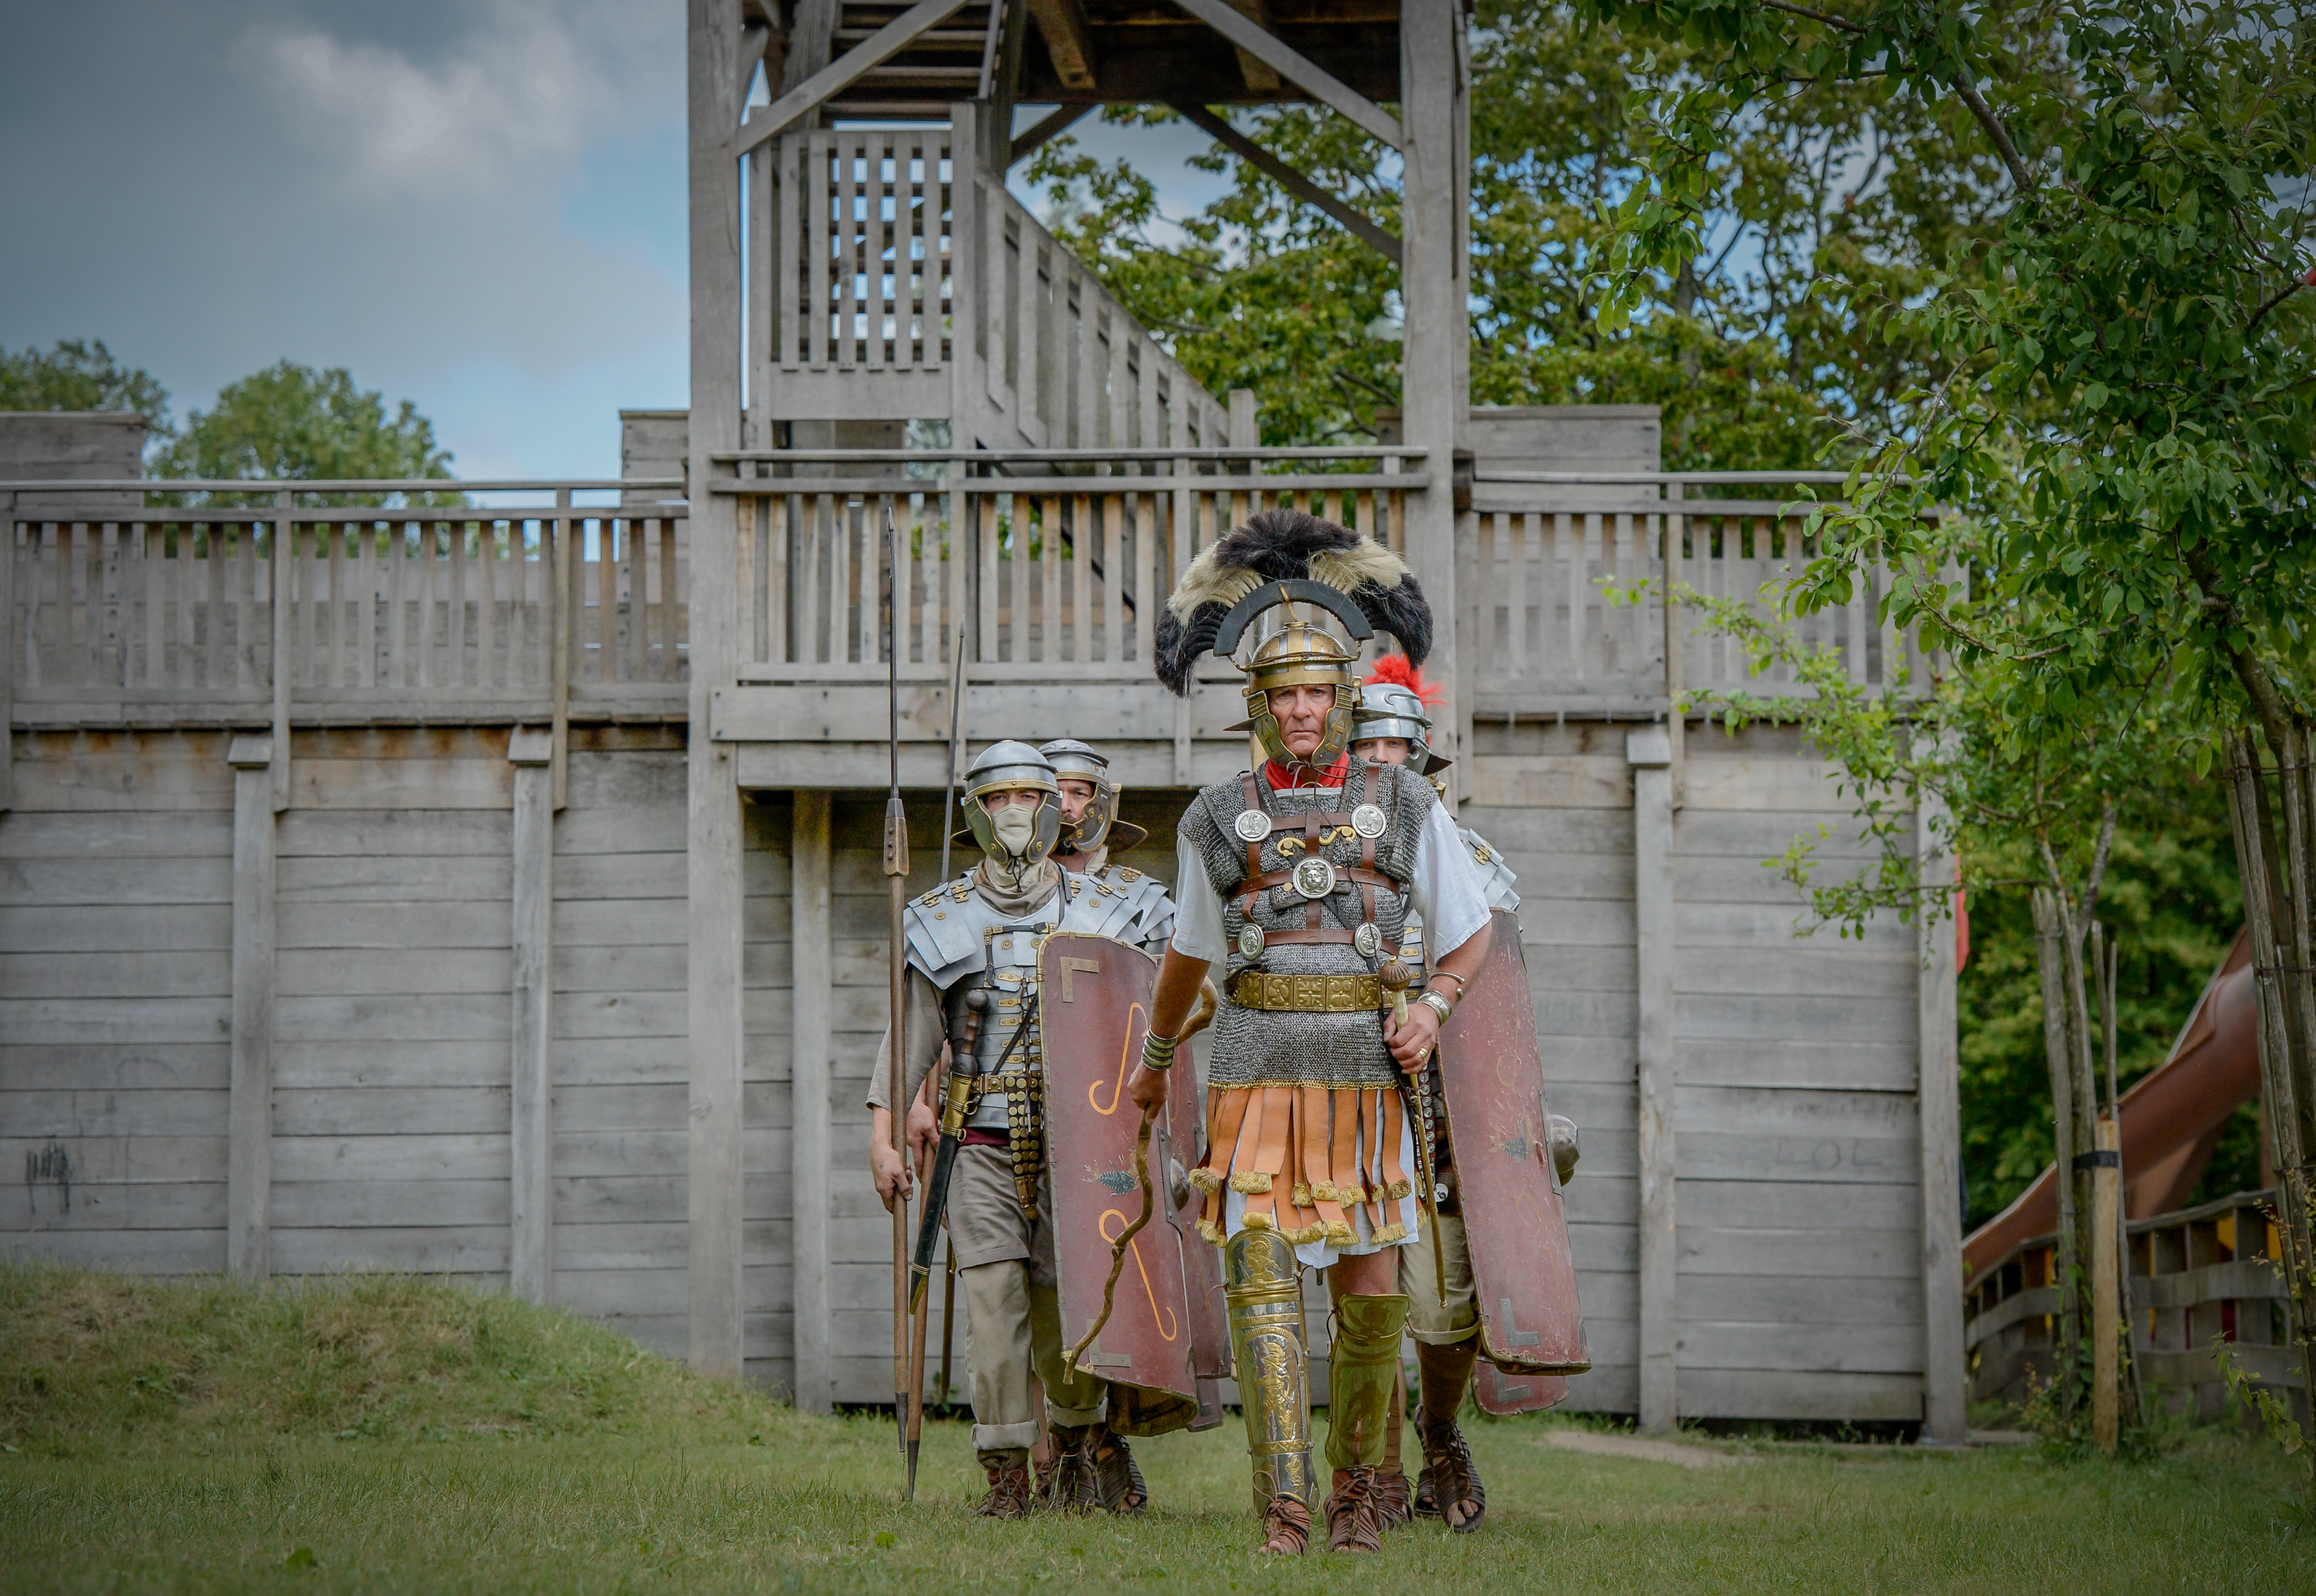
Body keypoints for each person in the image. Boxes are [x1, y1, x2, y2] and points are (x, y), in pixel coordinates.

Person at [1124, 508, 1495, 1554]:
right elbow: (1189, 958)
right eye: (1284, 693)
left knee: (1371, 1292)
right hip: (1251, 1072)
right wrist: (1155, 1065)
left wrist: (1430, 1007)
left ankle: (1354, 1499)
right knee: (1260, 1286)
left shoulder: (1406, 804)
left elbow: (1468, 942)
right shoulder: (1213, 816)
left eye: (1318, 692)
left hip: (1364, 1076)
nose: (1301, 709)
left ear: (1342, 698)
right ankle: (1283, 1510)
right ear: (1259, 701)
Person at [869, 741, 1174, 1519]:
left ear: (1050, 812)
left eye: (1028, 798)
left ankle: (1072, 1451)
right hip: (980, 1145)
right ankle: (1005, 1469)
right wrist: (882, 1134)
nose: (1013, 812)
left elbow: (1153, 1012)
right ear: (976, 812)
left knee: (1064, 1303)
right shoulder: (943, 918)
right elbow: (910, 1038)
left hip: (1078, 1142)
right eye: (996, 798)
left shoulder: (1107, 913)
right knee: (993, 1304)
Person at [1347, 658, 1523, 1534]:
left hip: (1442, 1107)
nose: (1381, 758)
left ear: (1423, 756)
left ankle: (1441, 1431)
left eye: (1395, 743)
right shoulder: (1322, 850)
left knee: (1446, 1299)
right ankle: (1375, 1466)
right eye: (1365, 743)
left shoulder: (1472, 861)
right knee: (1364, 1287)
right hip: (1347, 1090)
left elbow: (1495, 994)